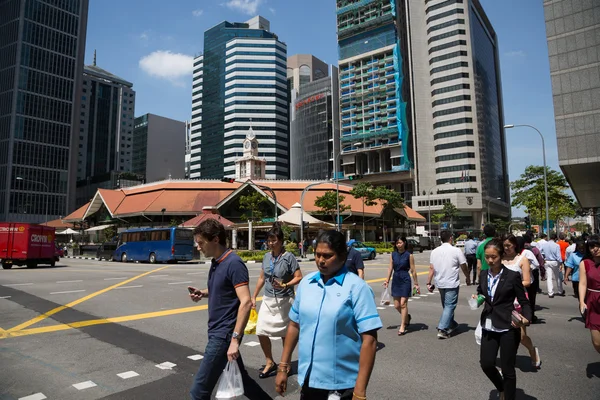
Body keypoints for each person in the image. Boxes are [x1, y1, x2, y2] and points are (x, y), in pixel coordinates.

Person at [275, 230, 382, 400]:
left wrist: (360, 391)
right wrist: (283, 367)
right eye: (317, 255)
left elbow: (369, 340)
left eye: (327, 256)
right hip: (309, 380)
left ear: (342, 256)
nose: (321, 260)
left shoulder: (357, 288)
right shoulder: (307, 284)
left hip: (341, 385)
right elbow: (295, 325)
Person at [188, 219, 271, 400]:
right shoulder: (217, 261)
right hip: (218, 332)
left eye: (201, 242)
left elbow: (246, 302)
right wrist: (202, 293)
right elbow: (223, 289)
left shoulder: (233, 263)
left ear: (215, 240)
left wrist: (235, 340)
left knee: (198, 392)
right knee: (244, 382)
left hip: (223, 335)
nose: (198, 247)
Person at [477, 239, 532, 400]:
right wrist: (478, 297)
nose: (490, 260)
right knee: (486, 364)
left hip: (508, 325)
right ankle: (501, 388)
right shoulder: (483, 274)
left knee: (508, 369)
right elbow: (481, 291)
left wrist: (527, 318)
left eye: (493, 257)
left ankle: (509, 396)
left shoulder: (512, 276)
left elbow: (524, 301)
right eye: (487, 257)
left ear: (501, 255)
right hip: (489, 324)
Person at [251, 223, 303, 379]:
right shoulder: (267, 257)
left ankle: (284, 363)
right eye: (269, 240)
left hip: (285, 300)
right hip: (268, 299)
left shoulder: (289, 257)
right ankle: (269, 362)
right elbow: (262, 277)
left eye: (274, 240)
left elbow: (299, 277)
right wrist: (254, 296)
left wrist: (285, 284)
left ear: (281, 241)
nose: (271, 243)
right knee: (261, 330)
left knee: (285, 334)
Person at [502, 235, 541, 369]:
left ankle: (532, 350)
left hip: (517, 299)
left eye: (508, 245)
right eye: (504, 245)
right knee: (503, 333)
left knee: (522, 336)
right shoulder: (499, 259)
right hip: (502, 300)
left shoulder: (522, 259)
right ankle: (507, 365)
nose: (506, 248)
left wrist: (511, 284)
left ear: (515, 245)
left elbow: (527, 281)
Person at [427, 230, 467, 339]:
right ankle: (442, 329)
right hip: (451, 282)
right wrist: (467, 276)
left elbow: (431, 268)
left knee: (446, 306)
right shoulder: (456, 250)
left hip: (440, 282)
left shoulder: (434, 251)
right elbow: (463, 265)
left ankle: (451, 324)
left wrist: (428, 282)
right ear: (450, 238)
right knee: (449, 306)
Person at [384, 236, 420, 335]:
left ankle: (403, 325)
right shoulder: (393, 255)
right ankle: (407, 317)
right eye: (397, 243)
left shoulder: (409, 255)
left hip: (405, 279)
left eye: (400, 243)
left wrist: (416, 283)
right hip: (396, 279)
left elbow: (413, 270)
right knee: (396, 305)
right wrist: (387, 280)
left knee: (403, 304)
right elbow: (390, 268)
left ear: (404, 243)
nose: (399, 245)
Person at [578, 235, 600, 354]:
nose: (595, 249)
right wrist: (582, 301)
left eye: (597, 246)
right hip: (593, 301)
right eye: (592, 247)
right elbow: (582, 283)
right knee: (596, 342)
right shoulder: (585, 263)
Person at [518, 236, 540, 322]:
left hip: (529, 280)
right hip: (518, 280)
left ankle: (530, 316)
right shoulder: (512, 253)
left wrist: (528, 268)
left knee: (530, 299)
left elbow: (536, 264)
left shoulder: (527, 252)